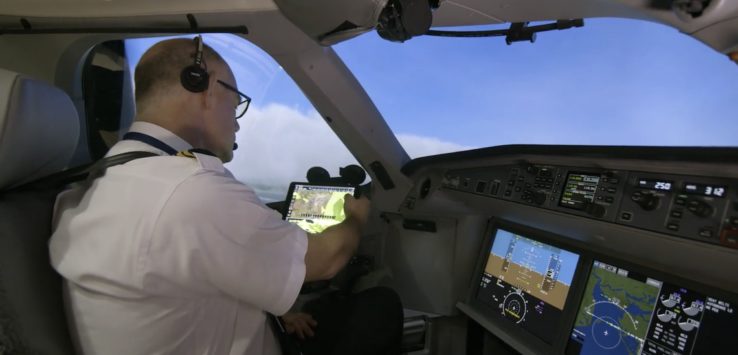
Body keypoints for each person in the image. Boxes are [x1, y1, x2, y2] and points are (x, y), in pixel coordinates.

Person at [49, 37, 400, 354]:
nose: (237, 122)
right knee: (379, 305)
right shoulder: (190, 190)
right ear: (204, 87)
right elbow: (327, 258)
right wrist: (354, 214)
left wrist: (273, 314)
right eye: (236, 102)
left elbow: (183, 274)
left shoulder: (104, 176)